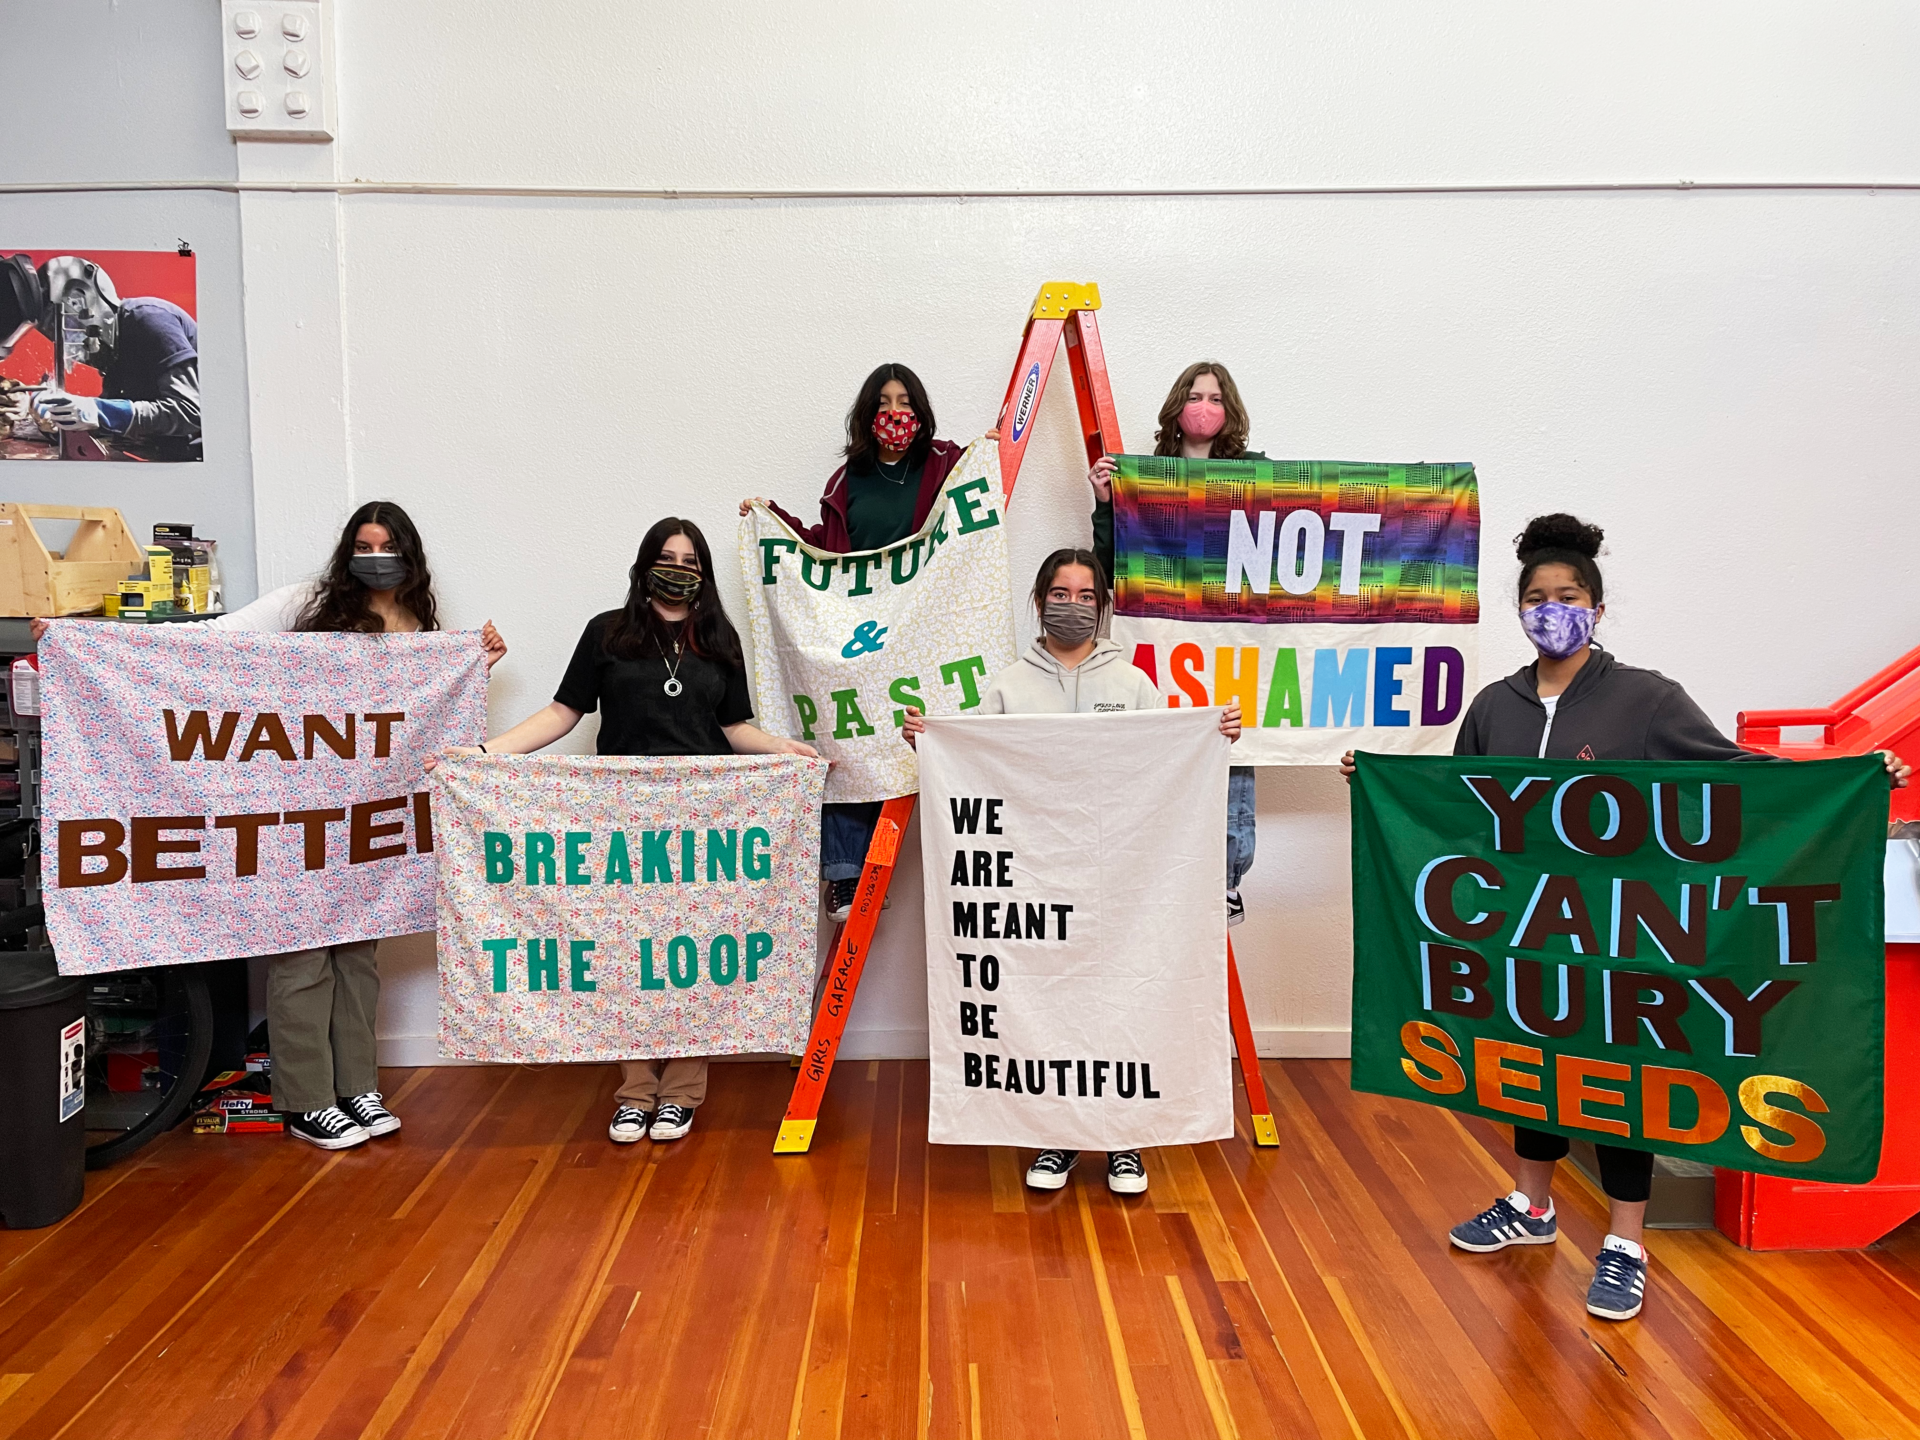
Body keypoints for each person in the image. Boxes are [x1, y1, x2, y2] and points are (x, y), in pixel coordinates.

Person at [1341, 513, 1911, 1322]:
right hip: (1524, 934)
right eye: (1536, 598)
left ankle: (1624, 1244)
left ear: (1596, 608)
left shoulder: (1646, 699)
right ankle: (1532, 1207)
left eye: (1567, 595)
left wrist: (1848, 778)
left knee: (1621, 1084)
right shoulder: (1494, 707)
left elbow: (1737, 780)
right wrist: (1379, 785)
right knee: (1529, 1070)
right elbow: (1457, 808)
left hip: (1616, 940)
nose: (1551, 610)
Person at [441, 517, 820, 1146]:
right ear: (644, 565)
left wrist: (785, 750)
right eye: (668, 557)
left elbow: (735, 729)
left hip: (705, 825)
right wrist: (485, 754)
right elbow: (564, 712)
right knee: (627, 957)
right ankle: (635, 1090)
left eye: (692, 559)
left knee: (697, 956)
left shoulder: (718, 637)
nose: (681, 568)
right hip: (622, 823)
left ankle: (682, 1094)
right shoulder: (607, 634)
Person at [904, 547, 1242, 1195]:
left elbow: (1168, 754)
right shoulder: (1010, 683)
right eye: (1061, 593)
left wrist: (1213, 730)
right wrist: (934, 739)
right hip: (1037, 880)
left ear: (1103, 606)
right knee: (1053, 1000)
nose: (1074, 605)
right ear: (1039, 601)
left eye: (1088, 595)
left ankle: (1123, 1141)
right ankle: (1058, 1136)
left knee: (1123, 995)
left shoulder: (1133, 684)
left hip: (1126, 879)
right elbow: (977, 759)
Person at [738, 363, 966, 923]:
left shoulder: (943, 463)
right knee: (843, 735)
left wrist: (986, 452)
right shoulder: (846, 482)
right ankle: (843, 874)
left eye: (906, 401)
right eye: (884, 402)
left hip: (920, 623)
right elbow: (825, 548)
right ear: (867, 415)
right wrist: (773, 521)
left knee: (921, 732)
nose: (895, 413)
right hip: (863, 627)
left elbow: (974, 513)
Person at [1088, 361, 1262, 928]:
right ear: (1177, 406)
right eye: (1195, 396)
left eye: (1215, 397)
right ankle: (1152, 870)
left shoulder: (1258, 475)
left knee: (1233, 744)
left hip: (1233, 635)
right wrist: (1106, 503)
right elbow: (1115, 568)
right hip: (1165, 639)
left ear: (1228, 409)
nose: (1204, 406)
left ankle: (1227, 879)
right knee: (1158, 746)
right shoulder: (1150, 476)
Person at [1, 253, 202, 462]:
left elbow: (191, 411)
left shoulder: (150, 319)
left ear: (84, 303)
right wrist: (50, 418)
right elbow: (115, 426)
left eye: (70, 330)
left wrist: (98, 410)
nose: (70, 343)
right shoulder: (115, 356)